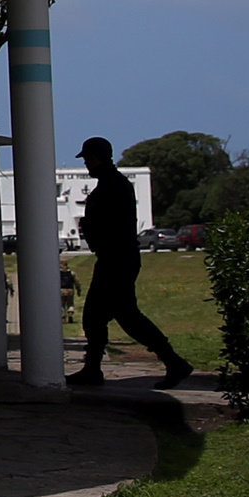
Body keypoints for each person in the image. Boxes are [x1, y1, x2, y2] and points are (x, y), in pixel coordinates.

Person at [68, 135, 190, 389]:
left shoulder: (113, 186)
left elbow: (112, 226)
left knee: (111, 317)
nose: (86, 165)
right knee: (108, 317)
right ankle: (94, 368)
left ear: (97, 158)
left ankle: (172, 362)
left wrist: (91, 228)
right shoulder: (112, 184)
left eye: (88, 159)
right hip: (116, 258)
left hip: (116, 260)